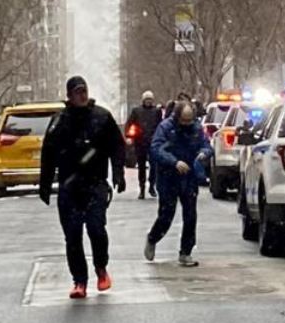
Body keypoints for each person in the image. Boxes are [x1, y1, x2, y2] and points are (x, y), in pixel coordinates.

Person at [39, 76, 127, 299]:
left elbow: (117, 146)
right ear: (69, 96)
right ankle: (79, 280)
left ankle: (101, 268)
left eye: (84, 91)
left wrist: (118, 173)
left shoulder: (101, 117)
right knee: (72, 235)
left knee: (96, 230)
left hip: (95, 184)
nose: (82, 95)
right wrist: (45, 184)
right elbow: (48, 153)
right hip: (69, 188)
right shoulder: (59, 121)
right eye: (77, 92)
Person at [145, 102, 213, 266]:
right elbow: (156, 149)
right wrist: (173, 162)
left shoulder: (196, 128)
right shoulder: (166, 128)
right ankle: (153, 237)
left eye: (190, 120)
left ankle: (186, 251)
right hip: (168, 176)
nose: (187, 124)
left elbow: (206, 145)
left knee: (190, 215)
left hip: (189, 176)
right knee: (166, 214)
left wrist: (204, 153)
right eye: (184, 120)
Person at [127, 91, 164, 199]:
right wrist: (129, 136)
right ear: (143, 100)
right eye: (147, 99)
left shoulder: (156, 111)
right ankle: (142, 188)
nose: (148, 101)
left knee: (154, 165)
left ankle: (152, 185)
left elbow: (160, 125)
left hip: (153, 142)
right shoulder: (136, 111)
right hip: (140, 142)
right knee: (141, 167)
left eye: (150, 99)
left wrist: (161, 138)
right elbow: (130, 124)